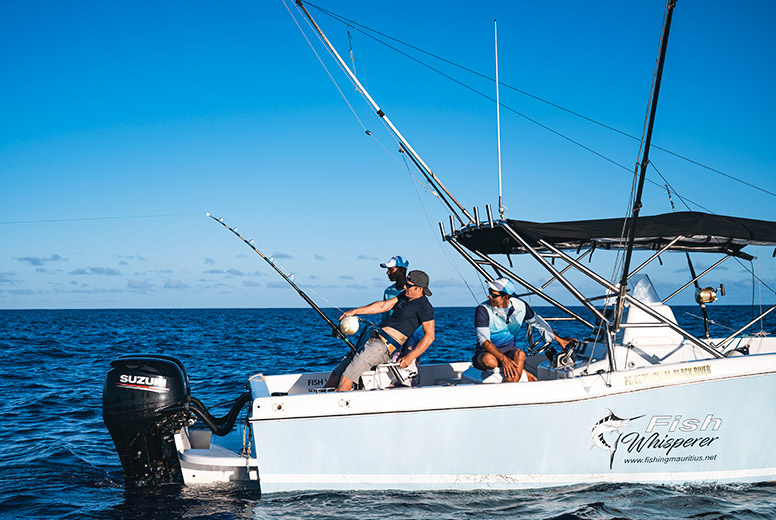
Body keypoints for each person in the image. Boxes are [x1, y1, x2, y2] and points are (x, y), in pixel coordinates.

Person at [332, 270, 435, 391]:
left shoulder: (424, 307)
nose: (404, 286)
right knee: (336, 374)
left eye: (408, 285)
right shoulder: (404, 296)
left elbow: (429, 336)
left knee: (346, 378)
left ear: (419, 289)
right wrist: (354, 311)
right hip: (369, 340)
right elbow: (383, 306)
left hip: (381, 347)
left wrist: (410, 357)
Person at [473, 277, 573, 383]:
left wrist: (560, 340)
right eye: (489, 292)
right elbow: (484, 341)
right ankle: (519, 372)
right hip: (486, 353)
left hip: (509, 351)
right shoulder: (483, 309)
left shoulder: (520, 306)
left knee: (520, 354)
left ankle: (510, 388)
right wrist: (503, 359)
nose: (489, 296)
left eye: (494, 295)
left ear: (506, 296)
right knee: (490, 361)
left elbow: (539, 323)